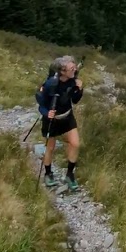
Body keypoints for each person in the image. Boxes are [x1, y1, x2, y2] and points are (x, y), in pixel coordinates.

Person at [36, 55, 84, 191]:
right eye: (71, 68)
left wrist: (79, 89)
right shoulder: (51, 84)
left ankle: (70, 174)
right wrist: (46, 113)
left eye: (74, 67)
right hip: (52, 120)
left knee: (75, 144)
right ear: (62, 71)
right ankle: (48, 173)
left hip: (67, 117)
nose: (75, 69)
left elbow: (75, 100)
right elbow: (41, 103)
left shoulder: (73, 81)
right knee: (50, 147)